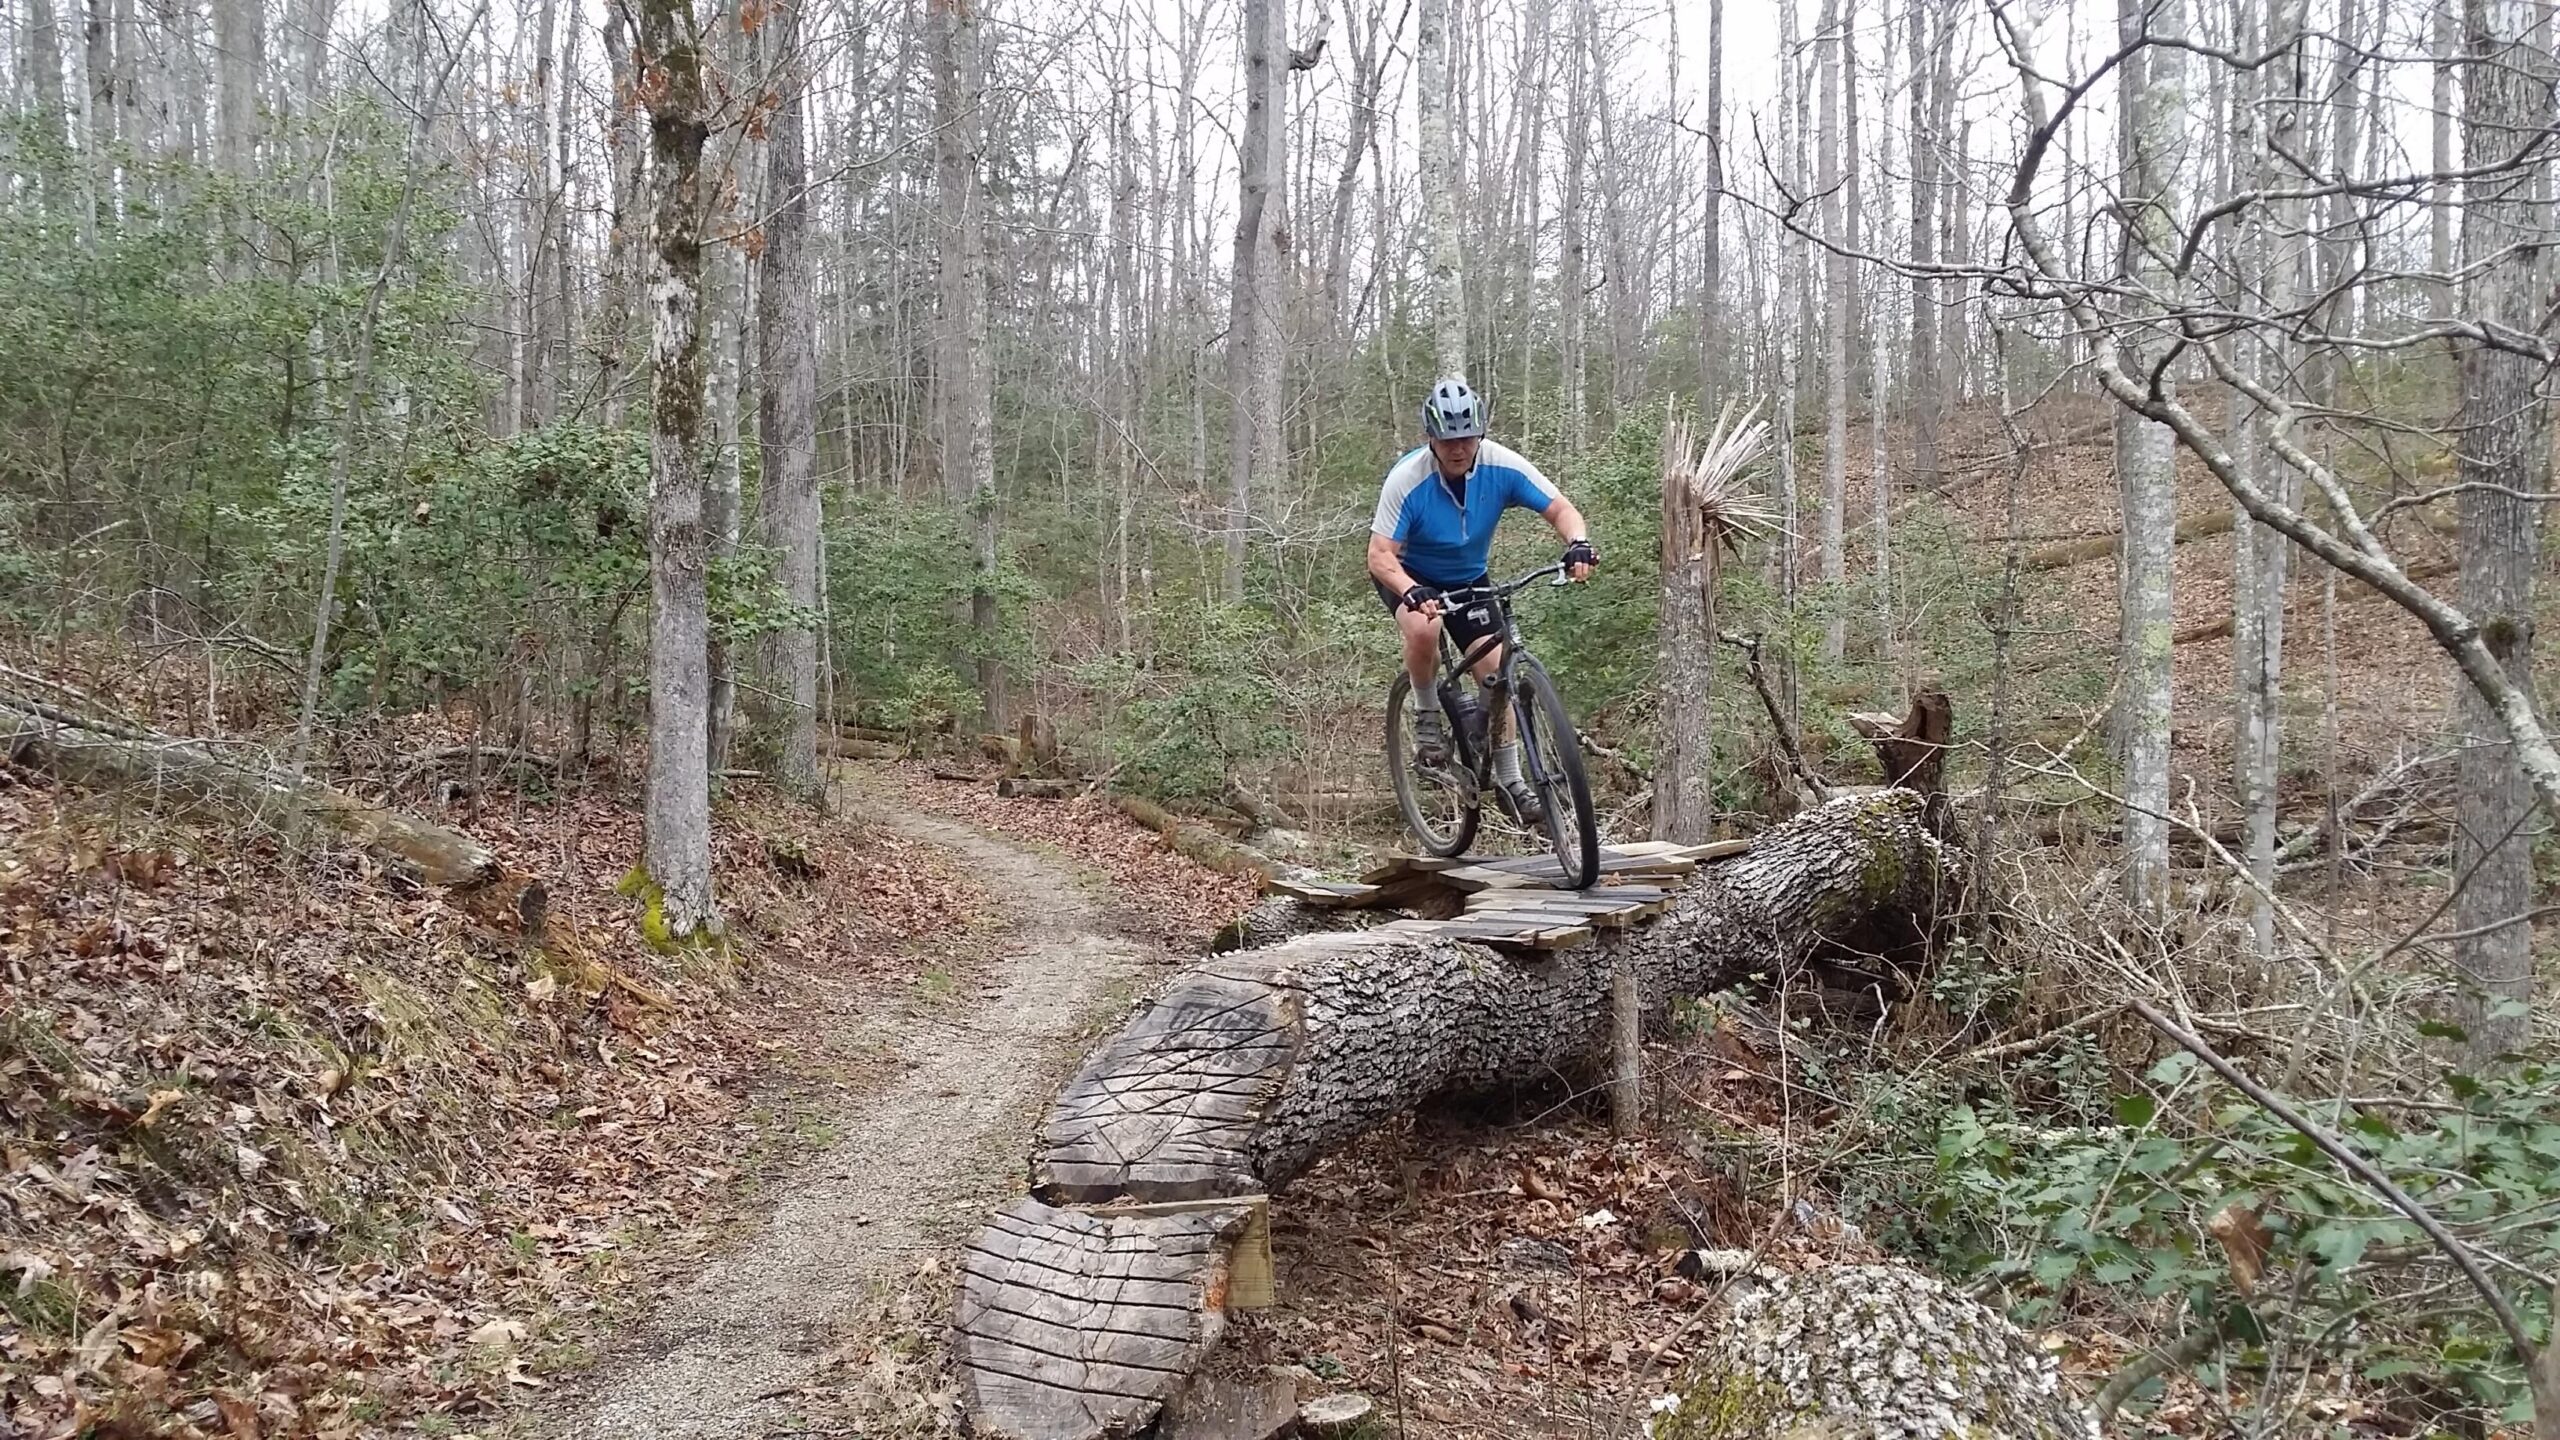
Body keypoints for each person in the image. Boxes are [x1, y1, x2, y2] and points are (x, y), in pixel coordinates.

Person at [1367, 377, 1597, 823]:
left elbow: (1561, 510)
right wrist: (1412, 590)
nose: (1459, 448)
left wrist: (1578, 544)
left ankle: (1511, 781)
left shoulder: (1503, 465)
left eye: (1468, 437)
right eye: (1448, 439)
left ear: (1481, 434)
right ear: (1431, 439)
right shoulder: (1407, 479)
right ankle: (1428, 716)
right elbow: (1379, 556)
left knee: (1495, 673)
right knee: (1423, 627)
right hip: (1409, 573)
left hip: (1469, 578)